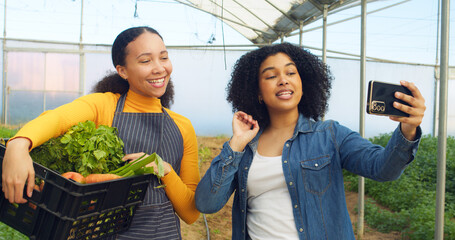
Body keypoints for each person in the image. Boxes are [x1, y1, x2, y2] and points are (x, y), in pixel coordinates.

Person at [194, 42, 426, 240]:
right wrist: (236, 144)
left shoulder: (330, 135)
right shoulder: (245, 146)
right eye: (271, 76)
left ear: (304, 85)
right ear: (257, 92)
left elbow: (383, 168)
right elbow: (207, 203)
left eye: (291, 73)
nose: (283, 80)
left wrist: (408, 129)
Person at [2, 26, 200, 239]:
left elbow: (190, 213)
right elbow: (57, 119)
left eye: (164, 57)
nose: (159, 68)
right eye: (146, 61)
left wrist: (165, 170)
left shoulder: (182, 126)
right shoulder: (104, 105)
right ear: (122, 70)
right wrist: (18, 144)